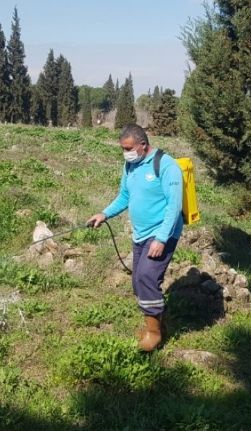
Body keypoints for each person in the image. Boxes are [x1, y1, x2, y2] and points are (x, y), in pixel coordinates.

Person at [88, 124, 183, 352]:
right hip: (140, 234)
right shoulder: (130, 165)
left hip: (161, 233)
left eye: (128, 148)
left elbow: (174, 206)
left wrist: (161, 239)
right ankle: (158, 326)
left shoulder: (167, 165)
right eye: (122, 148)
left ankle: (153, 334)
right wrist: (104, 213)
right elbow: (124, 196)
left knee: (147, 278)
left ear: (143, 144)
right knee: (138, 281)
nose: (125, 153)